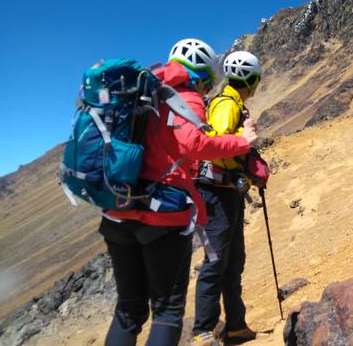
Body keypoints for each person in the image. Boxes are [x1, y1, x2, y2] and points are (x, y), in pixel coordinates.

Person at [99, 38, 258, 346]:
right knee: (167, 312)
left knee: (129, 310)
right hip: (162, 214)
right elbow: (196, 145)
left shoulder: (142, 89)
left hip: (118, 208)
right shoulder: (183, 95)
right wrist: (244, 141)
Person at [191, 51, 263, 345]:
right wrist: (245, 138)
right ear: (252, 79)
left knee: (233, 261)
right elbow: (218, 142)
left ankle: (235, 326)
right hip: (215, 193)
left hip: (227, 192)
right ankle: (202, 332)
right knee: (216, 261)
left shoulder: (233, 103)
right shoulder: (226, 104)